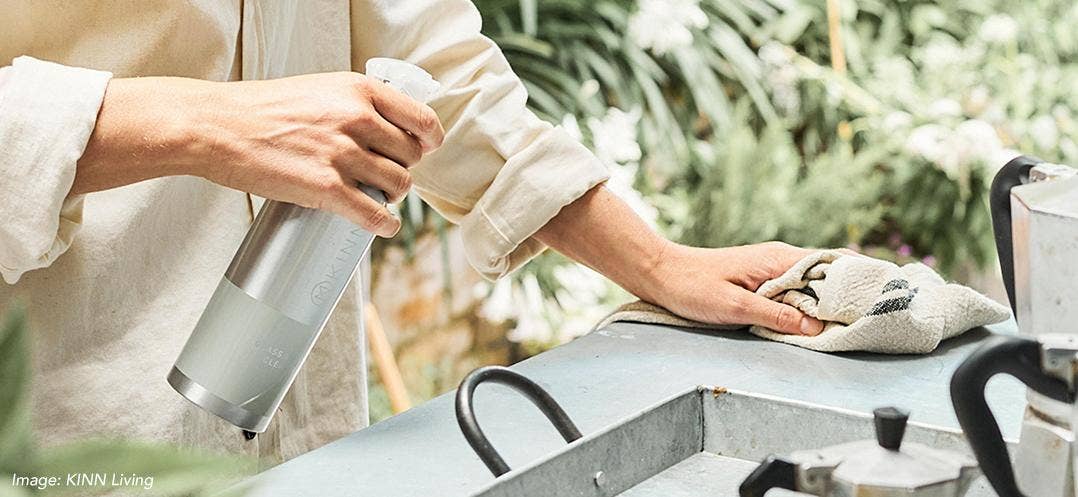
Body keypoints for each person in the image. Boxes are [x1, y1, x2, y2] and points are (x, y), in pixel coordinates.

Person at [0, 0, 824, 463]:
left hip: (304, 444)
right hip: (67, 432)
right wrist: (200, 123)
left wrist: (656, 263)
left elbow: (435, 63)